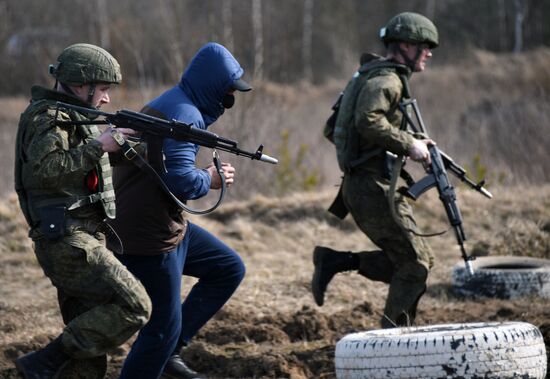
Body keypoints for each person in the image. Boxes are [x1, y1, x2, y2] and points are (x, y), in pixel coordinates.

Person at [107, 42, 249, 379]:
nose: (231, 96)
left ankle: (170, 353)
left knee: (228, 268)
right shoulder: (185, 113)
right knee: (160, 329)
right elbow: (183, 180)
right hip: (150, 236)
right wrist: (211, 179)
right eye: (229, 89)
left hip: (166, 225)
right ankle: (164, 352)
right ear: (213, 85)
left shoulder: (175, 102)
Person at [13, 43, 152, 378]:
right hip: (67, 241)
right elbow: (43, 172)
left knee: (87, 361)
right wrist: (98, 145)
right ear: (80, 84)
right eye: (102, 89)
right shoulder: (48, 118)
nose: (105, 98)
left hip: (81, 238)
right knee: (135, 305)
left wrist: (135, 142)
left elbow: (91, 162)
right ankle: (44, 359)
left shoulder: (76, 116)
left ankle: (56, 363)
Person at [311, 12, 438, 328]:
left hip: (366, 184)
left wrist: (406, 140)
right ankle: (394, 342)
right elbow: (368, 121)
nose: (429, 53)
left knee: (415, 260)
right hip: (372, 186)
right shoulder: (388, 80)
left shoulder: (368, 75)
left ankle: (335, 261)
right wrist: (407, 145)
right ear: (406, 45)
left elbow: (334, 129)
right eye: (424, 46)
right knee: (416, 265)